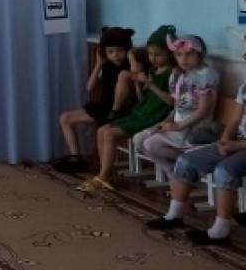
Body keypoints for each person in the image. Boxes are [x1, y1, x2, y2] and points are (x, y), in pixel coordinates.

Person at [146, 75, 246, 245]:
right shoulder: (244, 87)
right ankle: (174, 216)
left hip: (241, 146)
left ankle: (220, 232)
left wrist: (235, 146)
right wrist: (225, 140)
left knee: (224, 170)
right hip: (235, 143)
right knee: (186, 161)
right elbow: (235, 120)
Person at [80, 26, 176, 193]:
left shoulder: (173, 73)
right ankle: (106, 175)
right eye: (150, 54)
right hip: (141, 111)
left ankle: (103, 177)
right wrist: (139, 84)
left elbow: (171, 102)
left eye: (158, 55)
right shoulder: (153, 70)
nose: (153, 59)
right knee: (101, 130)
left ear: (170, 53)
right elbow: (142, 98)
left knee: (109, 134)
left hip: (154, 116)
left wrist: (151, 84)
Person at [131, 34, 219, 185]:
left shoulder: (205, 75)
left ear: (200, 54)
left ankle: (185, 166)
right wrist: (164, 123)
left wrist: (178, 126)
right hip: (178, 126)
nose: (184, 59)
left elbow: (203, 110)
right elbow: (177, 107)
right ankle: (172, 169)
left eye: (189, 54)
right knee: (138, 139)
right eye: (179, 55)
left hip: (196, 129)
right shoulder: (177, 74)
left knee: (150, 145)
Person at [54, 26, 134, 172]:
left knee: (102, 131)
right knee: (65, 118)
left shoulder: (129, 68)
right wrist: (98, 64)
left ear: (127, 50)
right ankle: (76, 156)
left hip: (118, 110)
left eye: (119, 51)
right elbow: (89, 87)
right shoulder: (107, 65)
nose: (115, 55)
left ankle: (104, 169)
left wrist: (132, 58)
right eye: (110, 52)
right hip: (103, 107)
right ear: (104, 53)